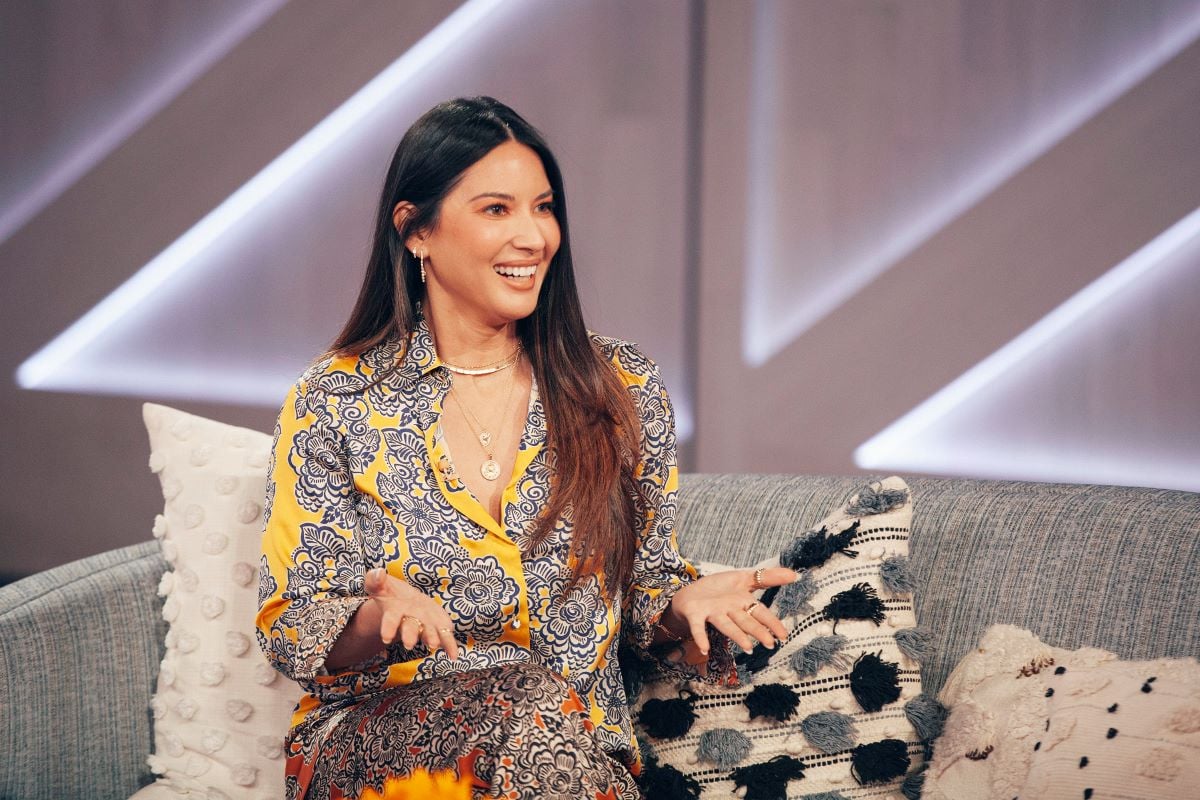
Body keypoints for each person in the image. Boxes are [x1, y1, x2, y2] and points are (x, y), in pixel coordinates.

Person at [256, 96, 797, 800]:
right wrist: (380, 624)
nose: (534, 236)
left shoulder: (618, 389)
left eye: (543, 208)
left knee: (540, 720)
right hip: (379, 752)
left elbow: (643, 600)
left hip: (561, 758)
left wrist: (678, 605)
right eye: (496, 210)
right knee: (532, 703)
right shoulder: (338, 399)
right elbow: (292, 624)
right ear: (415, 231)